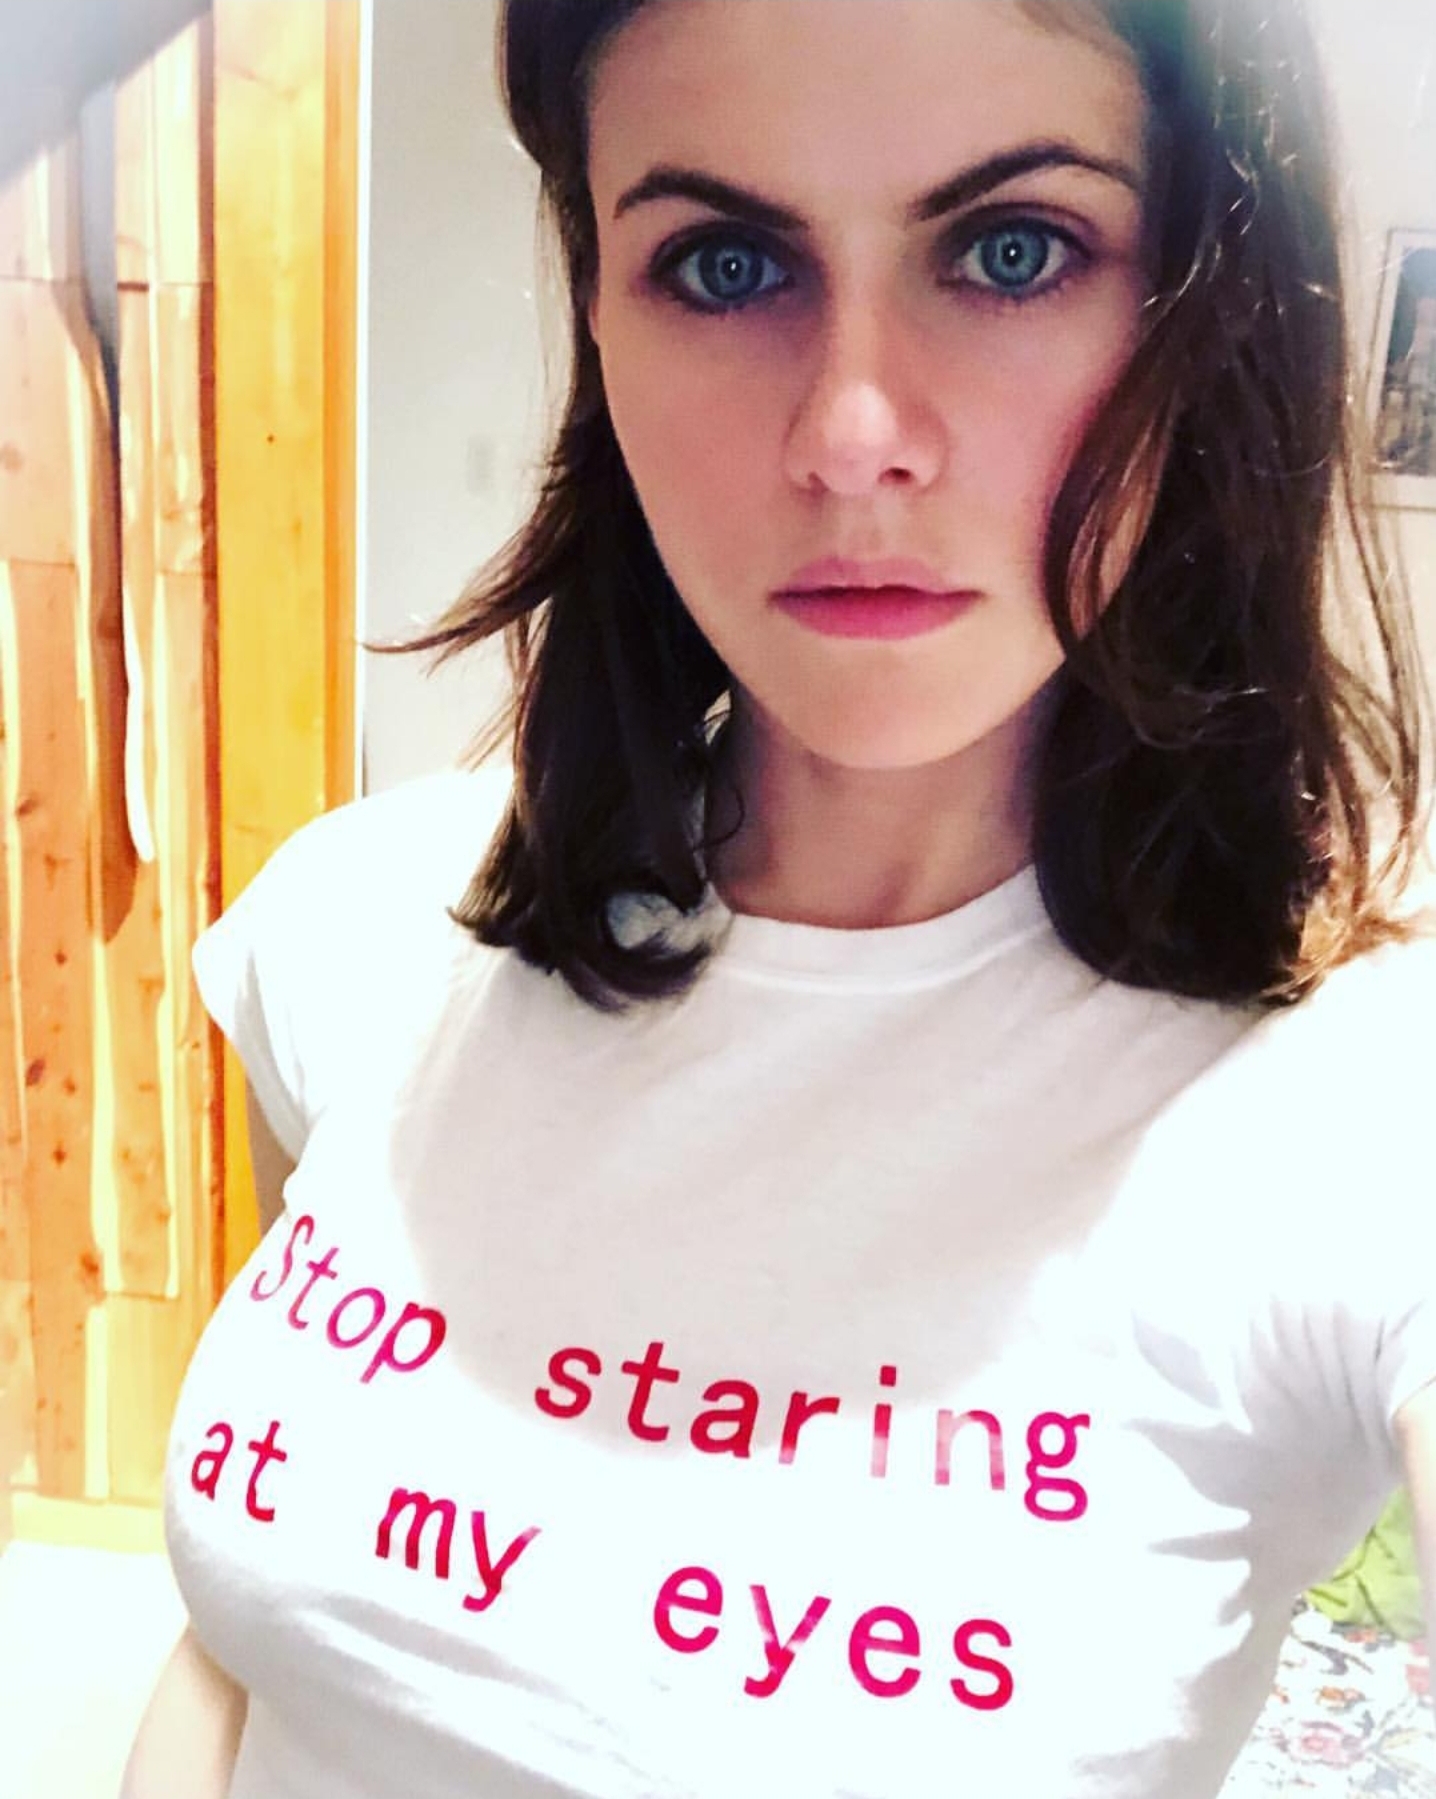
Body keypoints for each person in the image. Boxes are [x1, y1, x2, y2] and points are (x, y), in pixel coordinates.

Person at [122, 1, 1436, 1795]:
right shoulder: (360, 922)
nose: (853, 434)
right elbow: (253, 1643)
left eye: (1013, 249)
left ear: (1207, 305)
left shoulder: (1361, 1115)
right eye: (725, 264)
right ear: (599, 309)